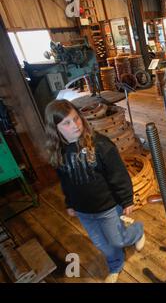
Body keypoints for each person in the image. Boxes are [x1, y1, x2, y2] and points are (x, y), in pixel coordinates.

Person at [44, 100, 145, 283]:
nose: (75, 125)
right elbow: (66, 181)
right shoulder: (59, 152)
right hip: (84, 212)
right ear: (55, 129)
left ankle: (137, 231)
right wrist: (69, 203)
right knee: (101, 244)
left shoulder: (100, 145)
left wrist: (127, 200)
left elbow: (118, 174)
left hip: (107, 207)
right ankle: (115, 265)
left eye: (76, 119)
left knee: (118, 240)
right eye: (66, 123)